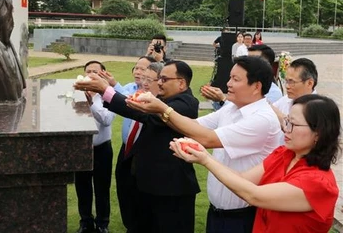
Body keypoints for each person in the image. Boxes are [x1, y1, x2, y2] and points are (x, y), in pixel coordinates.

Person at [127, 56, 281, 233]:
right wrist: (161, 111)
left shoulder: (262, 119)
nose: (228, 83)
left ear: (256, 86)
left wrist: (163, 109)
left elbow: (208, 138)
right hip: (218, 211)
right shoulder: (231, 107)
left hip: (244, 215)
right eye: (230, 77)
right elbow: (194, 125)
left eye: (236, 79)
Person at [170, 94, 341, 233]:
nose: (286, 129)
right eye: (286, 121)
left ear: (318, 133)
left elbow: (253, 195)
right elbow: (244, 179)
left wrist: (206, 159)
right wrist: (202, 155)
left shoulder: (317, 182)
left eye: (293, 124)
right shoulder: (284, 154)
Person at [75, 60, 201, 233]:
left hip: (171, 191)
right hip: (148, 185)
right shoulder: (164, 99)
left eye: (163, 79)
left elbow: (144, 112)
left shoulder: (185, 104)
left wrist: (106, 90)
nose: (158, 83)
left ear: (181, 83)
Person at [98, 56, 156, 232]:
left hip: (142, 153)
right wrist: (112, 85)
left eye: (143, 69)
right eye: (136, 68)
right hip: (126, 149)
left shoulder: (154, 97)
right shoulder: (131, 88)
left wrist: (107, 88)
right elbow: (121, 95)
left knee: (140, 193)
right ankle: (130, 224)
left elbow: (123, 102)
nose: (138, 72)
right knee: (124, 188)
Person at [75, 61, 115, 233]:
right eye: (88, 71)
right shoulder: (76, 92)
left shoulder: (110, 95)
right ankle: (85, 222)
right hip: (81, 148)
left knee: (102, 188)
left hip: (102, 148)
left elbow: (106, 120)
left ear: (103, 74)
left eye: (95, 71)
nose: (91, 74)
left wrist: (92, 103)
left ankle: (102, 223)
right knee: (82, 187)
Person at [202, 44, 282, 110]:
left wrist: (223, 100)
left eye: (253, 60)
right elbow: (226, 114)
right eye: (248, 58)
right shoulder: (245, 87)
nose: (229, 84)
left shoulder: (273, 93)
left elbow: (244, 115)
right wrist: (218, 99)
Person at [272, 58, 318, 143]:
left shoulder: (320, 109)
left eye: (292, 82)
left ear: (309, 83)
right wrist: (281, 116)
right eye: (286, 81)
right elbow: (269, 107)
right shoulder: (286, 99)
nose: (287, 86)